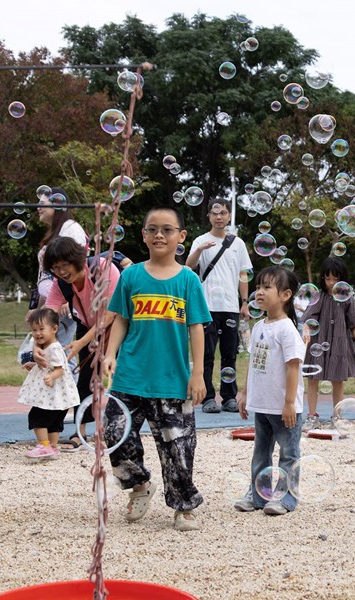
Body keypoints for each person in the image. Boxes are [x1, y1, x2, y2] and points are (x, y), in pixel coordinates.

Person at [102, 206, 210, 532]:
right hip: (130, 376)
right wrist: (110, 354)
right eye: (152, 229)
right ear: (143, 235)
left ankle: (183, 505)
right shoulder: (131, 276)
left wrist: (198, 373)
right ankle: (138, 485)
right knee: (113, 432)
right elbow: (121, 319)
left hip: (173, 380)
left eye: (167, 229)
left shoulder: (189, 281)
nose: (159, 235)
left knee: (178, 447)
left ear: (181, 237)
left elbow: (196, 328)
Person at [235, 266, 305, 515]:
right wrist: (245, 393)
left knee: (288, 454)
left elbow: (293, 367)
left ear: (285, 295)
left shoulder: (287, 330)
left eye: (266, 287)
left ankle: (287, 497)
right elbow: (254, 364)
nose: (259, 292)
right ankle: (258, 495)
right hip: (263, 404)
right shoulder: (258, 327)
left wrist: (289, 403)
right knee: (260, 453)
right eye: (257, 287)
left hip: (284, 407)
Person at [42, 237, 120, 450]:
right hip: (88, 326)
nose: (61, 272)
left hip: (118, 324)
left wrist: (81, 342)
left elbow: (111, 313)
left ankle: (115, 430)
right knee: (85, 378)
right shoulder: (61, 284)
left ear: (78, 259)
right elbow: (48, 316)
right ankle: (80, 432)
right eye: (56, 268)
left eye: (65, 265)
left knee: (118, 378)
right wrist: (38, 347)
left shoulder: (103, 269)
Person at [186, 199, 253, 414]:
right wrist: (200, 250)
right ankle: (207, 398)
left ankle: (229, 397)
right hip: (206, 306)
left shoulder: (238, 243)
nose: (219, 217)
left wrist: (244, 303)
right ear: (209, 216)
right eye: (215, 213)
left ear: (228, 216)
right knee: (205, 354)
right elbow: (188, 267)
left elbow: (243, 274)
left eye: (223, 213)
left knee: (229, 353)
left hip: (231, 306)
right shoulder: (200, 240)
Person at [301, 257, 355, 431]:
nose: (331, 283)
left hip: (338, 341)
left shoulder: (347, 298)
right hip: (318, 340)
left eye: (335, 279)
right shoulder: (319, 296)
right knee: (313, 378)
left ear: (342, 278)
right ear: (322, 278)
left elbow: (352, 322)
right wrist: (306, 330)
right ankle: (311, 416)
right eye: (327, 278)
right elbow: (309, 317)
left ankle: (337, 417)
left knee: (338, 380)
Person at [17, 308, 81, 460]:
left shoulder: (54, 348)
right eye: (34, 330)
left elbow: (60, 369)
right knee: (54, 422)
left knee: (37, 416)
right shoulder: (48, 347)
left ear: (54, 329)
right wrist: (33, 365)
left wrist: (52, 377)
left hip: (51, 393)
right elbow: (48, 365)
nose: (37, 333)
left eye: (41, 329)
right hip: (56, 395)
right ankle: (52, 447)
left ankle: (44, 445)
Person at [34, 188, 87, 367]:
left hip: (65, 303)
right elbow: (48, 277)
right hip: (57, 300)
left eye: (42, 204)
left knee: (59, 351)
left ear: (57, 205)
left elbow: (78, 263)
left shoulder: (70, 229)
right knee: (52, 351)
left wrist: (67, 300)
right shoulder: (57, 230)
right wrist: (38, 307)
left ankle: (68, 393)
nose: (38, 208)